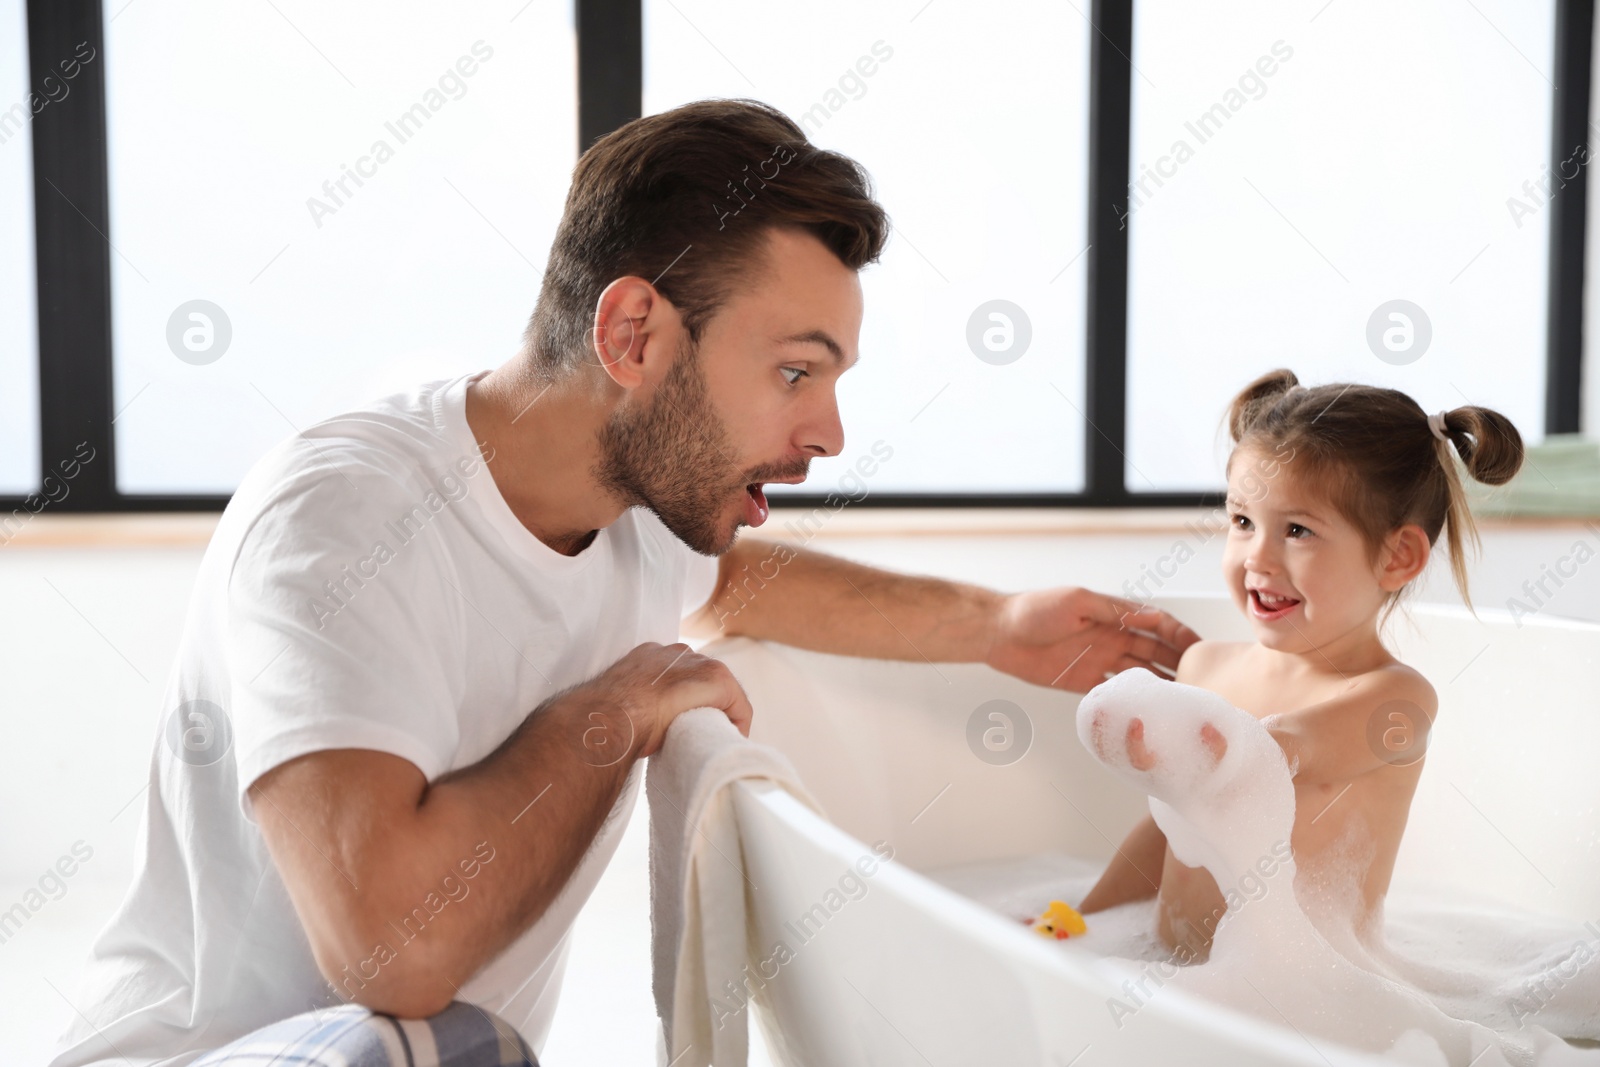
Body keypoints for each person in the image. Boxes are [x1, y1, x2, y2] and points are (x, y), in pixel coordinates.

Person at [48, 99, 1198, 1067]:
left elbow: (740, 584)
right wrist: (611, 712)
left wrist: (997, 625)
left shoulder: (636, 511)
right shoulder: (349, 518)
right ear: (636, 331)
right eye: (794, 369)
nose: (831, 431)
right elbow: (391, 956)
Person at [1078, 368, 1523, 960]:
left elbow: (1282, 750)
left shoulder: (1395, 700)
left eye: (1297, 530)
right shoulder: (1205, 665)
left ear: (1398, 556)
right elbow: (1167, 831)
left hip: (1306, 1005)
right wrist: (1079, 925)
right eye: (1241, 522)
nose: (1256, 556)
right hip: (1180, 981)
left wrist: (1191, 751)